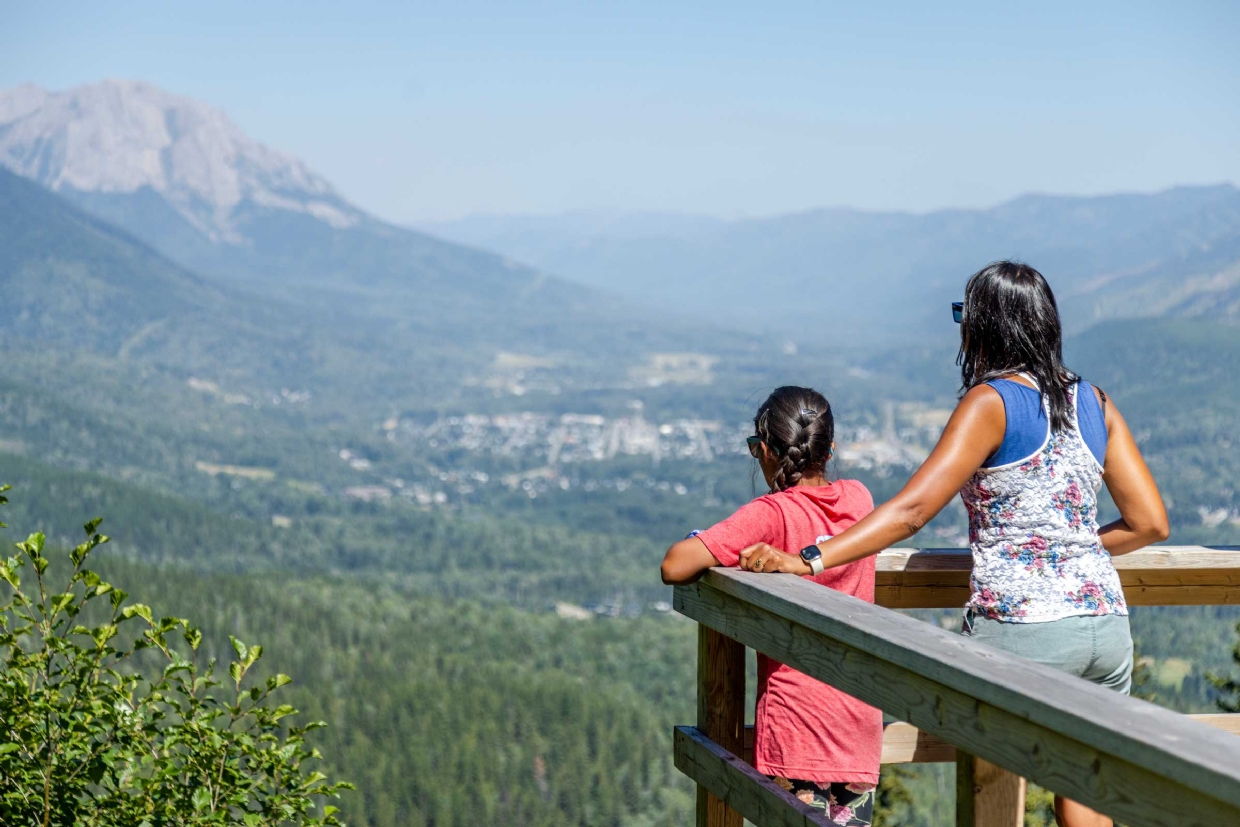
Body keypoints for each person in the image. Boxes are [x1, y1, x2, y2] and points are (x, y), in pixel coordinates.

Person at [734, 261, 1168, 827]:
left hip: (1023, 630)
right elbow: (1150, 524)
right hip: (1105, 627)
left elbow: (913, 510)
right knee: (1083, 789)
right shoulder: (1094, 401)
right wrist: (1067, 551)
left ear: (985, 326)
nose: (960, 326)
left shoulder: (991, 403)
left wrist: (811, 557)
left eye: (964, 314)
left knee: (984, 775)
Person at [661, 386, 883, 827]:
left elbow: (674, 564)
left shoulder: (771, 513)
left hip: (795, 727)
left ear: (765, 451)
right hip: (858, 724)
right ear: (830, 448)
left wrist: (702, 540)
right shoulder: (860, 500)